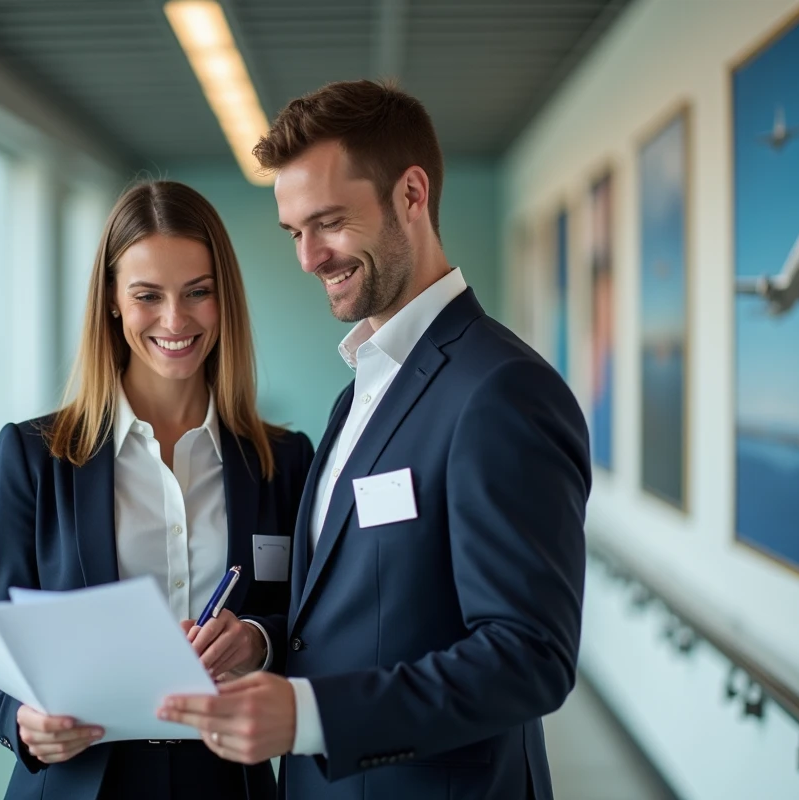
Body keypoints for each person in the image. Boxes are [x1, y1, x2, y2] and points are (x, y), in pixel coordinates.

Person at [158, 80, 591, 800]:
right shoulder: (359, 389)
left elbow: (528, 658)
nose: (308, 257)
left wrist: (311, 715)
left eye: (328, 222)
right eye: (294, 232)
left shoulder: (502, 390)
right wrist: (262, 643)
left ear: (411, 195)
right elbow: (353, 617)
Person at [0, 180, 315, 800]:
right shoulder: (36, 456)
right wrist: (22, 722)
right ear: (112, 300)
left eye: (198, 292)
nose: (175, 320)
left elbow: (312, 631)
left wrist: (256, 641)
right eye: (147, 296)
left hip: (230, 782)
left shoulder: (283, 462)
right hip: (81, 782)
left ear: (224, 299)